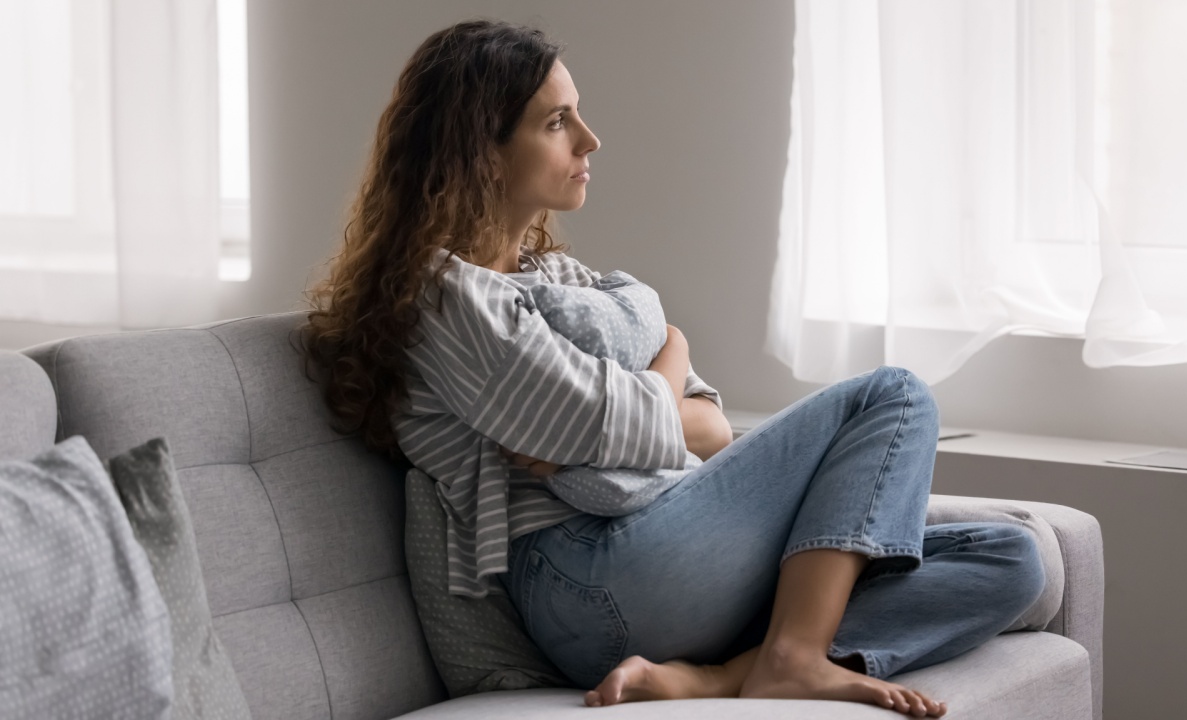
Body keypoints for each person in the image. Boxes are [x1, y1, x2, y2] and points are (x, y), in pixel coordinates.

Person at [300, 20, 1046, 719]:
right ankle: (792, 656)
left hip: (667, 554)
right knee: (894, 396)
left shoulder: (564, 281)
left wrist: (659, 376)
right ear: (480, 152)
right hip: (585, 575)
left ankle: (726, 674)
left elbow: (712, 429)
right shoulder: (445, 297)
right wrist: (664, 372)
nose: (590, 139)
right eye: (556, 122)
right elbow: (597, 423)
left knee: (1010, 557)